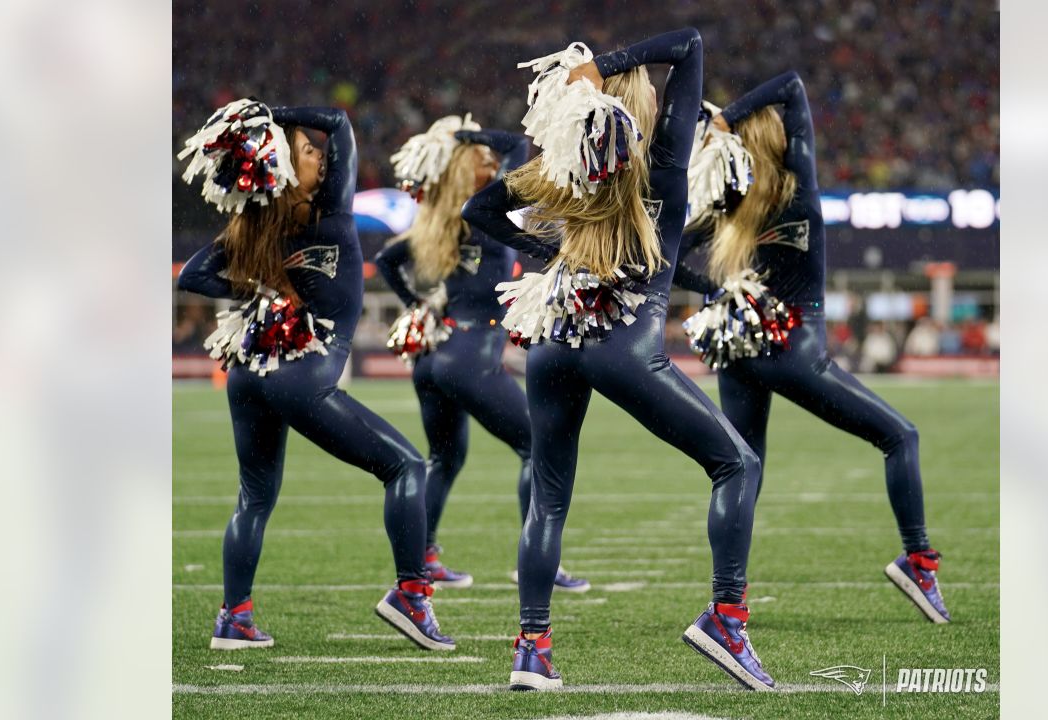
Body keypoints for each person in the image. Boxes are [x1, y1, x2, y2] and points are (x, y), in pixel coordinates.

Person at [464, 28, 775, 692]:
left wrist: (558, 262)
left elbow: (480, 209)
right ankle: (726, 619)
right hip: (625, 346)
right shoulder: (660, 164)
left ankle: (532, 648)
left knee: (547, 499)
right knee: (737, 464)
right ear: (647, 110)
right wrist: (599, 68)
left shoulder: (567, 169)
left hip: (557, 340)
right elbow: (692, 42)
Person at [176, 101, 454, 651]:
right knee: (406, 467)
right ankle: (410, 593)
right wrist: (272, 117)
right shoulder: (327, 216)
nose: (323, 159)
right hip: (301, 375)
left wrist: (260, 292)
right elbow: (340, 122)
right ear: (279, 162)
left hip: (251, 374)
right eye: (308, 152)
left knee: (253, 497)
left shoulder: (255, 227)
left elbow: (192, 274)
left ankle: (234, 618)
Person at [674, 72, 950, 623]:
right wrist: (731, 115)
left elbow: (672, 254)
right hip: (796, 348)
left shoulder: (733, 200)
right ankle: (918, 560)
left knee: (743, 470)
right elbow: (795, 86)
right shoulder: (797, 184)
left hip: (740, 350)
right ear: (782, 139)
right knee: (901, 437)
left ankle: (728, 603)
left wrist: (723, 292)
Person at [373, 120, 589, 592]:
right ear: (470, 170)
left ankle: (424, 557)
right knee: (537, 446)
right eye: (484, 163)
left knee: (443, 460)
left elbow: (388, 261)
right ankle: (539, 562)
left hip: (435, 356)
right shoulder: (486, 207)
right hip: (472, 356)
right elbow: (514, 143)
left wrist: (417, 305)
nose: (496, 166)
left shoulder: (440, 217)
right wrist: (471, 135)